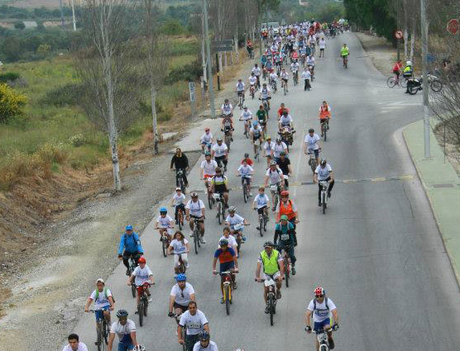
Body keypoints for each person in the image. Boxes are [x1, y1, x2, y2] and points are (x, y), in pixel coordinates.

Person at [256, 242, 285, 313]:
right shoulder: (261, 254)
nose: (267, 249)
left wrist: (281, 276)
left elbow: (281, 265)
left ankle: (278, 290)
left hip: (275, 272)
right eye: (265, 248)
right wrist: (257, 277)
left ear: (272, 248)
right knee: (266, 289)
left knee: (278, 281)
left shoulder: (277, 253)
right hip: (267, 274)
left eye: (268, 248)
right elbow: (258, 267)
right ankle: (267, 305)